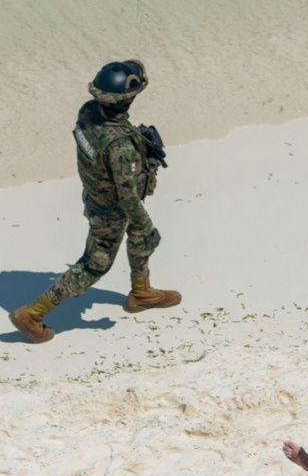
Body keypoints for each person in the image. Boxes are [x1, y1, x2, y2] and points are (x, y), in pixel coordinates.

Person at [9, 60, 181, 344]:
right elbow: (128, 201)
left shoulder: (88, 112)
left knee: (138, 236)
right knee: (96, 264)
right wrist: (146, 225)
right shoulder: (121, 147)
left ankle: (141, 292)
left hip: (95, 193)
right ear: (129, 98)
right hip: (112, 210)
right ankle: (33, 313)